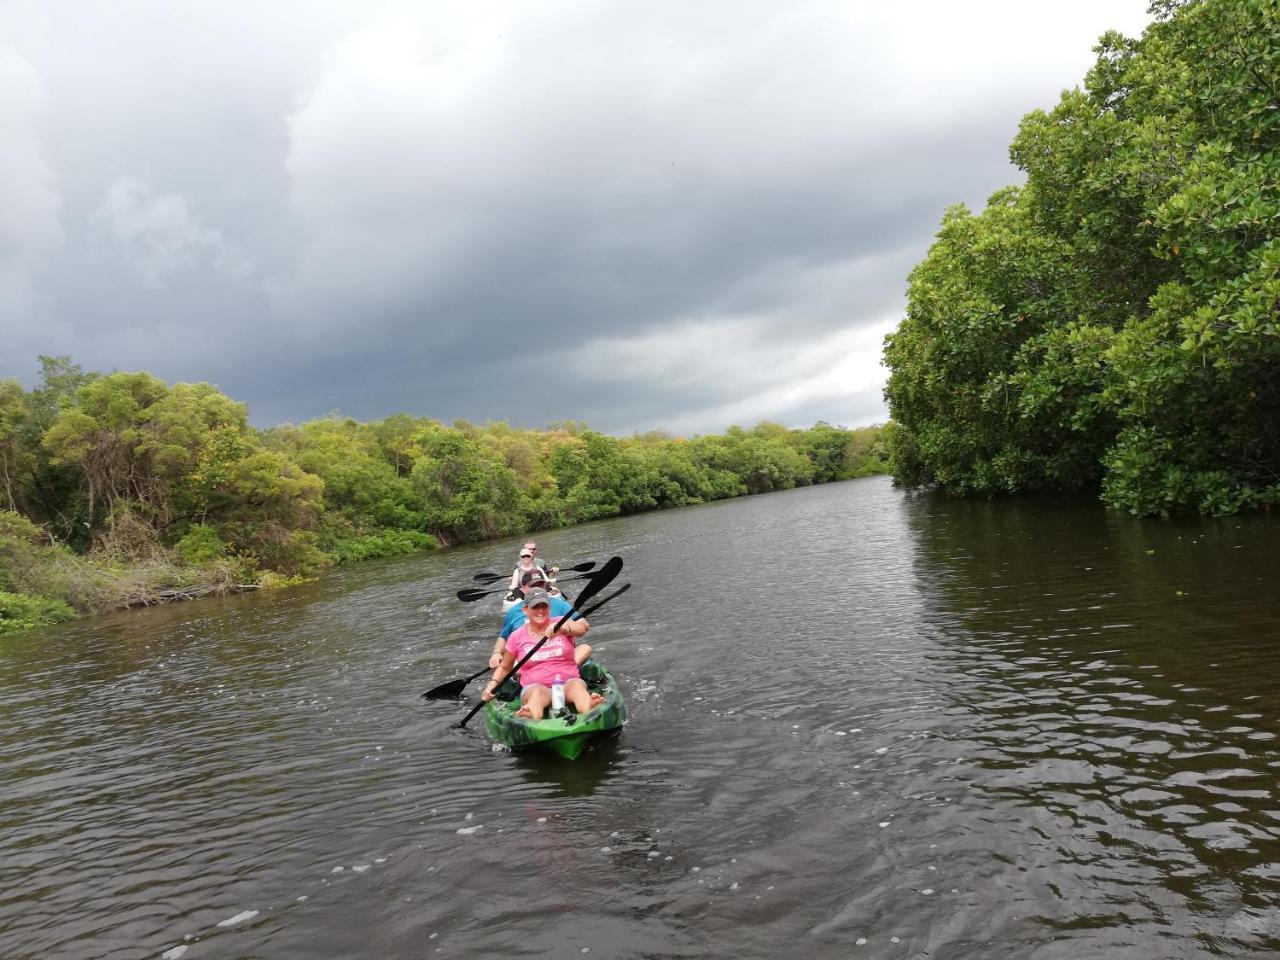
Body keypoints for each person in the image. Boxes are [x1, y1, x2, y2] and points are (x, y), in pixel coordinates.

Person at [481, 588, 604, 720]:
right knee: (536, 694)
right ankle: (530, 712)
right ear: (525, 610)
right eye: (535, 607)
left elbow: (581, 629)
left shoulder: (561, 621)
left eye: (543, 606)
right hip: (535, 686)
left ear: (549, 608)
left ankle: (588, 705)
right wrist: (492, 684)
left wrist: (564, 629)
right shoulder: (516, 636)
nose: (540, 611)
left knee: (577, 687)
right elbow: (505, 667)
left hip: (568, 682)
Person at [490, 571, 591, 668]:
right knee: (515, 666)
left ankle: (565, 668)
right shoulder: (513, 612)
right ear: (523, 589)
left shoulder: (560, 604)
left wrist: (565, 628)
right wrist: (497, 653)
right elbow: (504, 637)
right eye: (533, 586)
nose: (537, 588)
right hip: (529, 659)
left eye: (540, 584)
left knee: (585, 649)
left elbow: (584, 626)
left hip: (560, 654)